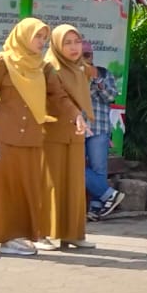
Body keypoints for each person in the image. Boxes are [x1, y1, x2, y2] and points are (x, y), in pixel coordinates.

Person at [0, 18, 59, 258]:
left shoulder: (43, 67)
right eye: (37, 36)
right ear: (23, 35)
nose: (41, 42)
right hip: (2, 136)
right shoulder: (3, 62)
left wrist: (76, 116)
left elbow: (59, 96)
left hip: (32, 139)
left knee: (23, 190)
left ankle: (12, 239)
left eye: (44, 38)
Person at [37, 24, 94, 251]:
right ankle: (43, 234)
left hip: (75, 134)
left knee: (74, 185)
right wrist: (76, 116)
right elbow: (59, 98)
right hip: (53, 132)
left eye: (77, 42)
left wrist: (79, 119)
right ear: (57, 45)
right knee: (51, 184)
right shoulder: (50, 67)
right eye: (67, 43)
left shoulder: (80, 69)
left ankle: (72, 233)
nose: (73, 47)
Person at [82, 40, 125, 220]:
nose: (86, 59)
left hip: (98, 128)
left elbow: (110, 97)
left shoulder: (103, 73)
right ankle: (109, 194)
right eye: (82, 55)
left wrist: (96, 79)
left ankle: (96, 208)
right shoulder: (72, 74)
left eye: (88, 55)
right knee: (77, 166)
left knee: (99, 168)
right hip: (77, 127)